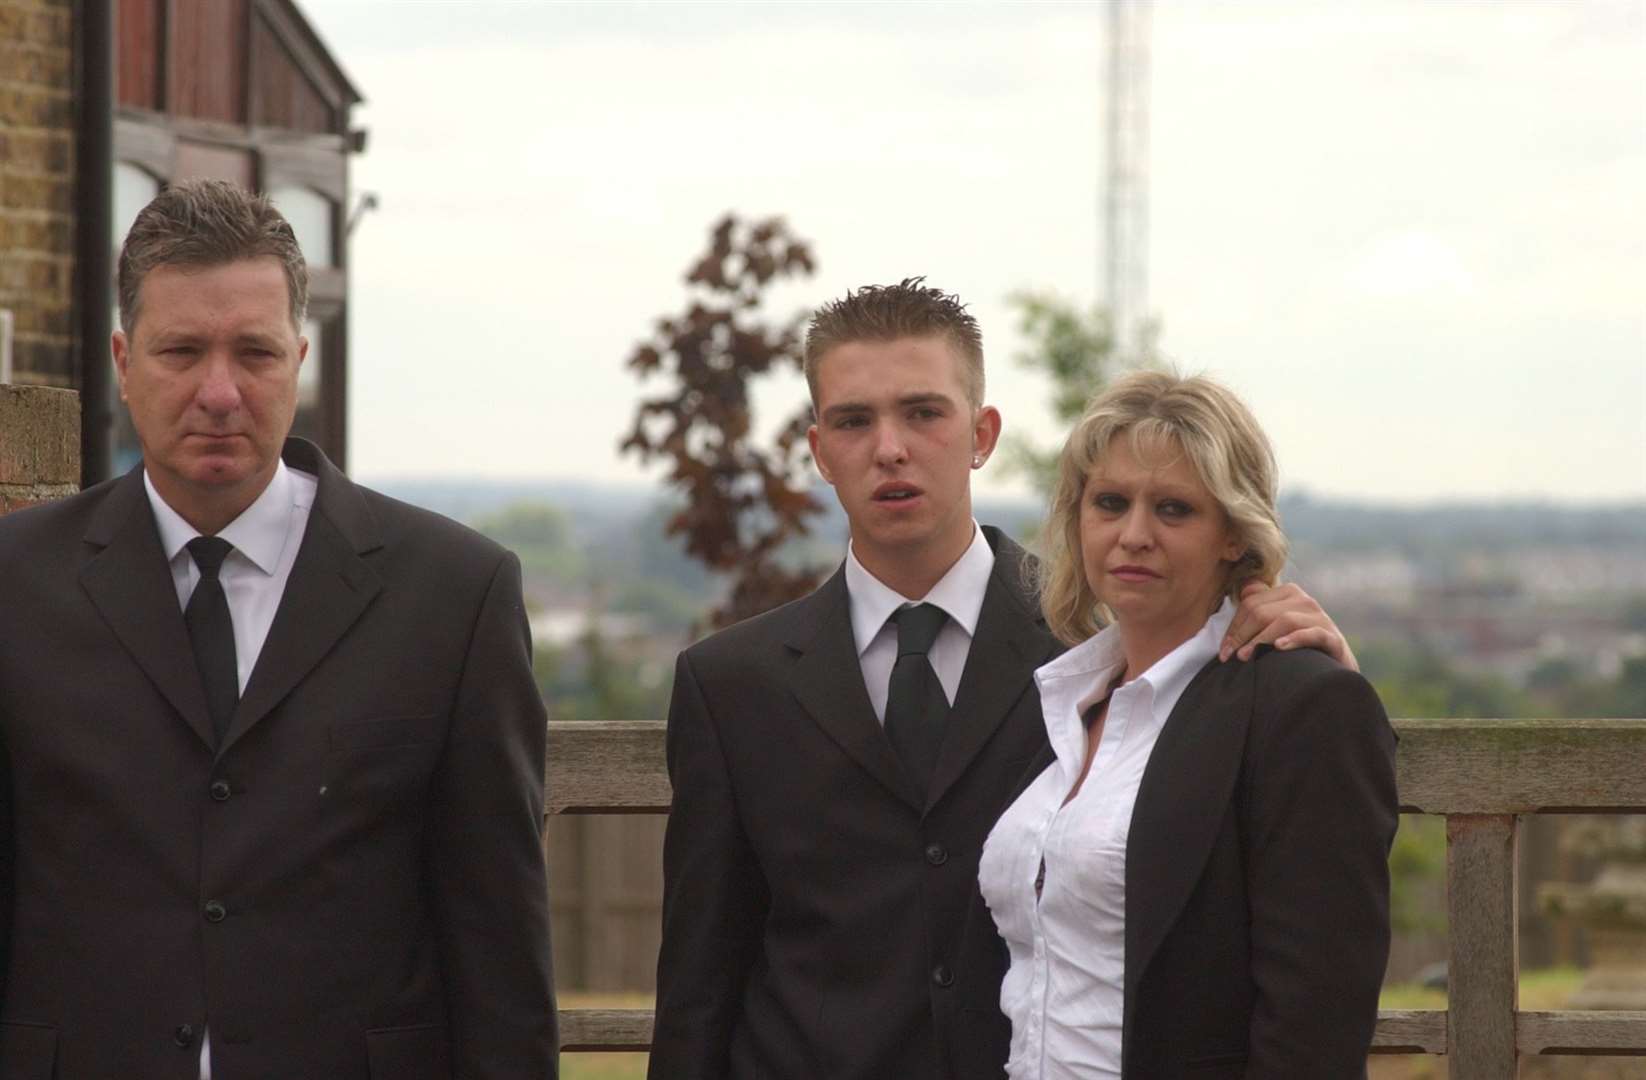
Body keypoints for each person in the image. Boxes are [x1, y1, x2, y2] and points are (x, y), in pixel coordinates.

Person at [647, 280, 1358, 1080]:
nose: (890, 448)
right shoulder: (729, 685)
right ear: (818, 451)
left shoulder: (1100, 650)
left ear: (981, 433)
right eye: (854, 420)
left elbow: (1282, 796)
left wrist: (1313, 658)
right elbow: (700, 982)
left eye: (923, 413)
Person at [0, 180, 557, 1078]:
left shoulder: (455, 593)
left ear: (300, 358)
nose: (218, 391)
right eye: (181, 350)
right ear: (121, 359)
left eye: (253, 353)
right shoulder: (14, 586)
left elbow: (498, 939)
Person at [963, 371, 1399, 1078]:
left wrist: (1327, 699)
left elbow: (1315, 1023)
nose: (1134, 535)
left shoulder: (1298, 706)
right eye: (1110, 503)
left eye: (1173, 509)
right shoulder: (1058, 701)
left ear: (1233, 534)